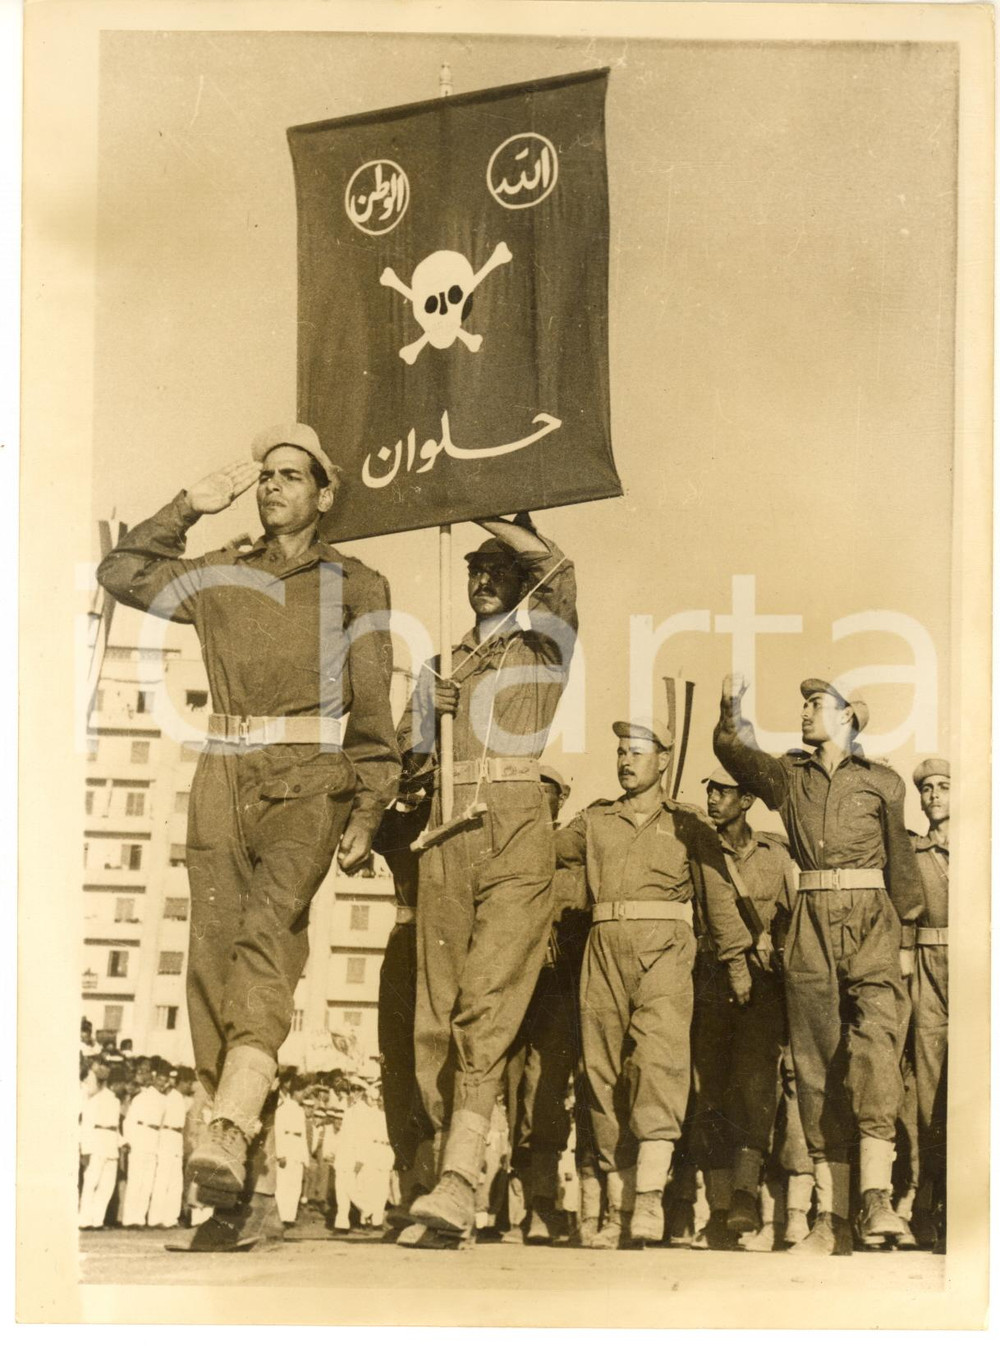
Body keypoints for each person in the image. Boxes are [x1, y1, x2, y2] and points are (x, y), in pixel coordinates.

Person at [97, 423, 400, 1251]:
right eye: (266, 475)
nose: (272, 487)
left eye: (291, 476)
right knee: (209, 963)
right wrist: (190, 505)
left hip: (307, 779)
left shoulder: (357, 583)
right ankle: (236, 1194)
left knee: (267, 938)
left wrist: (369, 807)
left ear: (324, 494)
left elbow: (374, 707)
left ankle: (228, 1123)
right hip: (221, 775)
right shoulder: (220, 571)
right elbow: (121, 571)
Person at [396, 515, 578, 1246]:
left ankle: (459, 1177)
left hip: (515, 826)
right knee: (434, 1016)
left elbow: (561, 576)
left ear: (518, 581)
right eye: (474, 568)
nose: (481, 579)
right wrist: (426, 720)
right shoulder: (438, 667)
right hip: (446, 832)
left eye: (497, 569)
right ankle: (446, 1183)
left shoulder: (542, 651)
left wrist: (486, 508)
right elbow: (408, 769)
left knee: (485, 1004)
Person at [714, 675, 924, 1255]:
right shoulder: (790, 775)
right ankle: (831, 1218)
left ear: (847, 716)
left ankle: (877, 1195)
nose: (804, 712)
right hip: (809, 923)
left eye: (815, 704)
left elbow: (902, 864)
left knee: (877, 1044)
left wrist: (906, 939)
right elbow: (737, 754)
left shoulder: (882, 781)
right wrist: (730, 714)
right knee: (814, 1062)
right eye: (802, 703)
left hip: (872, 918)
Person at [554, 720, 751, 1249]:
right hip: (603, 946)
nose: (625, 761)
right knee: (601, 1073)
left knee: (659, 1064)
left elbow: (716, 895)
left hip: (665, 947)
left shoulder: (688, 824)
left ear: (663, 760)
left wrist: (736, 961)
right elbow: (546, 852)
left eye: (637, 752)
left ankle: (647, 1200)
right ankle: (617, 1206)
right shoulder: (595, 819)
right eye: (620, 751)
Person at [688, 762, 795, 1249]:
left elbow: (792, 913)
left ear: (747, 801)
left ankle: (746, 1194)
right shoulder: (699, 849)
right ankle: (718, 1208)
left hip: (763, 982)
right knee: (710, 1088)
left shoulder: (775, 853)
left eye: (724, 792)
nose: (713, 799)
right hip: (711, 976)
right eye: (710, 790)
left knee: (755, 1085)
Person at [504, 764, 590, 1244]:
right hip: (513, 984)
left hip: (560, 989)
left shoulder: (577, 862)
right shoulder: (507, 852)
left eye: (547, 794)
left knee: (545, 1089)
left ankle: (542, 1204)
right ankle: (508, 1206)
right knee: (511, 1090)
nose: (538, 801)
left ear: (562, 800)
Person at [905, 757, 950, 1251]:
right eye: (927, 788)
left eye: (944, 786)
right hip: (927, 969)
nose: (934, 795)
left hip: (977, 968)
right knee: (929, 1088)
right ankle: (928, 1201)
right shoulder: (914, 852)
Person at [78, 1053, 123, 1229]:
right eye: (101, 1067)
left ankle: (97, 1220)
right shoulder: (89, 1095)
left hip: (110, 1143)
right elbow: (86, 1124)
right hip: (95, 1141)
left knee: (107, 1185)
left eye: (107, 1067)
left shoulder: (113, 1097)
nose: (104, 1070)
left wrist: (121, 1142)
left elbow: (115, 1126)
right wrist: (85, 1148)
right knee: (91, 1182)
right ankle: (84, 1220)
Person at [121, 1059, 167, 1226]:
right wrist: (128, 1140)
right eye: (159, 1079)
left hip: (153, 1140)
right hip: (139, 1138)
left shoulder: (163, 1100)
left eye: (164, 1080)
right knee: (135, 1179)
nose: (161, 1083)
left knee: (147, 1181)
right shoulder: (140, 1097)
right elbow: (129, 1120)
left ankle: (139, 1218)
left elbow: (162, 1126)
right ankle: (129, 1219)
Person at [148, 1063, 186, 1228]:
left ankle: (171, 1218)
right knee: (162, 1179)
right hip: (165, 1135)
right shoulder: (159, 1097)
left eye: (173, 1079)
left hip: (177, 1137)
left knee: (176, 1181)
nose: (170, 1082)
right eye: (168, 1078)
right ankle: (156, 1218)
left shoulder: (178, 1097)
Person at [274, 1071, 310, 1225]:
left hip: (297, 1150)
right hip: (287, 1148)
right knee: (284, 1184)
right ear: (294, 1092)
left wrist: (305, 1158)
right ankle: (282, 1216)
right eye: (301, 1091)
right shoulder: (283, 1109)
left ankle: (290, 1217)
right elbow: (278, 1131)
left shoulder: (300, 1110)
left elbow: (303, 1136)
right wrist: (280, 1154)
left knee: (295, 1185)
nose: (303, 1094)